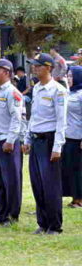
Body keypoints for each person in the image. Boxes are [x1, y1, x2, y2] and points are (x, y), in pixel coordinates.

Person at [24, 53, 68, 235]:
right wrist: (27, 138)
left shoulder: (58, 90)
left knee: (50, 185)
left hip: (49, 140)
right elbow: (33, 116)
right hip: (36, 139)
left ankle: (54, 225)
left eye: (38, 66)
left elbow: (61, 120)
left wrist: (57, 146)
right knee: (37, 184)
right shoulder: (36, 88)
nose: (35, 68)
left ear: (49, 67)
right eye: (34, 66)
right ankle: (42, 223)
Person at [0, 59, 24, 226]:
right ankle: (0, 214)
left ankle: (11, 214)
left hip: (6, 143)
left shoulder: (12, 92)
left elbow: (17, 119)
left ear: (7, 73)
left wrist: (10, 140)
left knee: (11, 180)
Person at [63, 66, 82, 208]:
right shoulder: (69, 93)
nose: (68, 79)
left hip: (78, 138)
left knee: (78, 169)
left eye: (71, 76)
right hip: (67, 136)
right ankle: (74, 197)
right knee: (69, 168)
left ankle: (79, 199)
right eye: (67, 76)